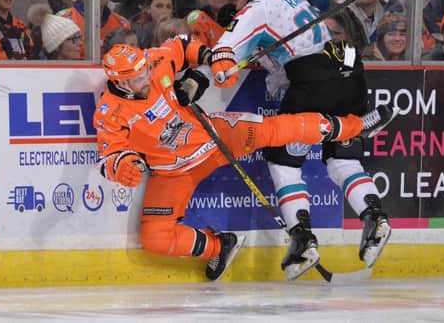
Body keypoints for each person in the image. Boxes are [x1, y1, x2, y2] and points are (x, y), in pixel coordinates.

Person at [94, 38, 397, 281]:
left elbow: (185, 46)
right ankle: (220, 246)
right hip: (172, 173)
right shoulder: (110, 113)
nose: (145, 77)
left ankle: (356, 126)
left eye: (145, 70)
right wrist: (123, 167)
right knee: (155, 237)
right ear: (120, 83)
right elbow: (110, 155)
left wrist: (205, 67)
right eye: (136, 78)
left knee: (277, 130)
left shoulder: (155, 61)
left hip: (213, 137)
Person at [210, 0, 397, 280]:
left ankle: (302, 239)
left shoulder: (254, 10)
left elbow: (223, 54)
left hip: (313, 80)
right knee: (341, 158)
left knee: (283, 162)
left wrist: (221, 69)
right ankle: (375, 215)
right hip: (350, 69)